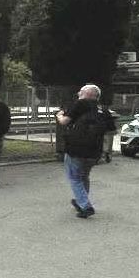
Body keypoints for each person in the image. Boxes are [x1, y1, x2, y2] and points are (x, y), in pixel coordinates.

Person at [57, 84, 108, 219]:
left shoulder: (81, 104)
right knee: (84, 176)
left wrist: (60, 115)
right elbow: (111, 129)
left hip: (76, 148)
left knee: (74, 178)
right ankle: (81, 200)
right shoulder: (102, 109)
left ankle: (86, 206)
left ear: (88, 94)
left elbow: (64, 122)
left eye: (81, 92)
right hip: (94, 151)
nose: (78, 94)